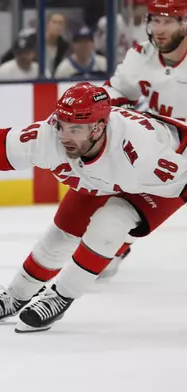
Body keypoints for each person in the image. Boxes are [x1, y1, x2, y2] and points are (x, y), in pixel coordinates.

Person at [0, 82, 187, 333]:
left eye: (75, 129)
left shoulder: (141, 155)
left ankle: (61, 296)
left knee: (110, 223)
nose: (64, 137)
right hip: (102, 176)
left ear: (98, 127)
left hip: (165, 180)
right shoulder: (50, 137)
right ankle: (17, 295)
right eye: (62, 125)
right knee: (61, 233)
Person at [100, 0, 187, 278]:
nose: (159, 29)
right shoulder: (141, 54)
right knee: (128, 207)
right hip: (159, 148)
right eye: (155, 21)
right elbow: (117, 90)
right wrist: (99, 108)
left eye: (169, 21)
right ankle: (120, 244)